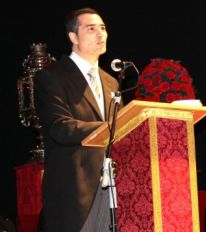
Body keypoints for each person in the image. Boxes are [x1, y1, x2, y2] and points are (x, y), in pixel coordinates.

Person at [34, 7, 120, 232]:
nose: (101, 34)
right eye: (91, 29)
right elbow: (60, 127)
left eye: (103, 28)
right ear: (73, 37)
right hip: (75, 190)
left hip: (111, 190)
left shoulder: (111, 82)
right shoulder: (52, 76)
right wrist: (109, 129)